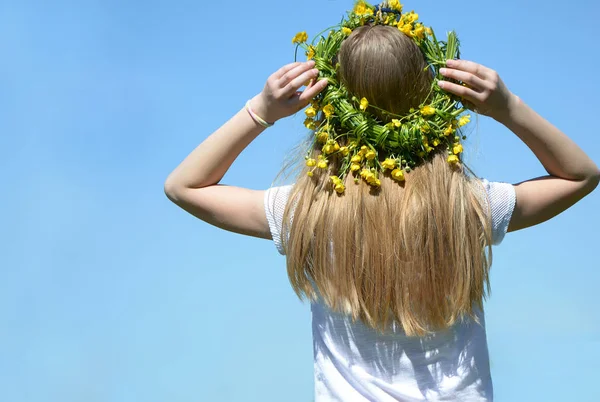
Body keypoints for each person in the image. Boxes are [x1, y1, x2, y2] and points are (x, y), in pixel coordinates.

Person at [164, 2, 599, 401]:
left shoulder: (308, 212)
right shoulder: (465, 206)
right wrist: (508, 107)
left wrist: (260, 110)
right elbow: (580, 175)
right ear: (430, 97)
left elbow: (185, 186)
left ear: (333, 102)